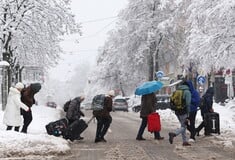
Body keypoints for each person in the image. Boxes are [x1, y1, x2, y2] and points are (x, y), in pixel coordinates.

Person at [168, 81, 192, 146]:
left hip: (177, 111)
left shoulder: (176, 91)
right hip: (183, 111)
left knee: (183, 126)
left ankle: (184, 141)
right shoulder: (187, 92)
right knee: (184, 126)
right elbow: (188, 103)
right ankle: (174, 134)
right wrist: (188, 113)